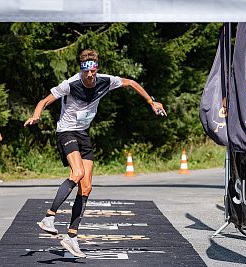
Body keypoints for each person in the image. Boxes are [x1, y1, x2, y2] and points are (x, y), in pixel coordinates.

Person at [24, 49, 166, 258]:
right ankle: (49, 217)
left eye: (92, 72)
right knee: (78, 172)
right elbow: (44, 101)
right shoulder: (70, 84)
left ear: (96, 70)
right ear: (81, 71)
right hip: (66, 132)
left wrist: (151, 102)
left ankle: (71, 237)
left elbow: (132, 83)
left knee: (87, 187)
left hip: (83, 134)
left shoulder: (106, 81)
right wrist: (36, 116)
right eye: (86, 73)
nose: (89, 76)